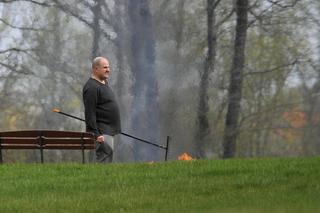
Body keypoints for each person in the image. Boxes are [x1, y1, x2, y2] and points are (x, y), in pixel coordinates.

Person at [82, 56, 121, 163]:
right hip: (102, 131)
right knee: (104, 159)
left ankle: (105, 178)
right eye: (105, 67)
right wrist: (97, 134)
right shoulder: (91, 87)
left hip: (108, 130)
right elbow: (90, 113)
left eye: (108, 67)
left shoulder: (103, 83)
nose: (108, 70)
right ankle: (102, 179)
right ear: (95, 69)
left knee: (108, 157)